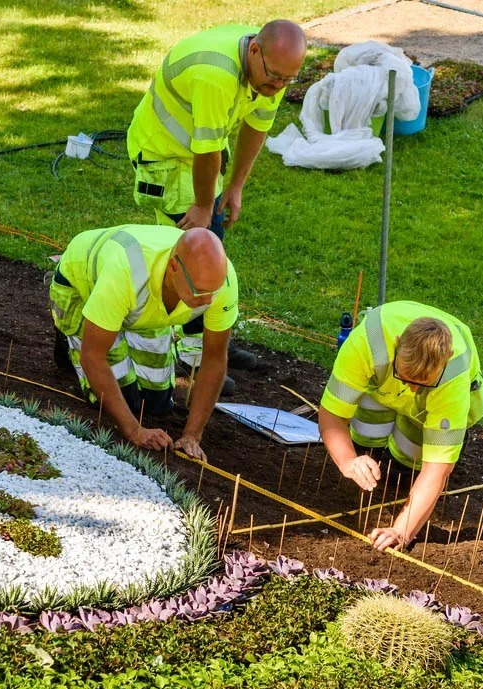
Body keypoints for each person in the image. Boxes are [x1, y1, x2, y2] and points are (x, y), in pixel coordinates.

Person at [126, 19, 307, 377]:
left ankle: (209, 339)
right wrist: (204, 206)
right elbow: (206, 152)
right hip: (162, 155)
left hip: (197, 153)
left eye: (288, 80)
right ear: (254, 50)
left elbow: (257, 126)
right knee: (190, 249)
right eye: (275, 77)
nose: (279, 86)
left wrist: (236, 187)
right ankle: (192, 350)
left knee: (212, 241)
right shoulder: (216, 75)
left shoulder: (275, 67)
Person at [48, 224, 237, 461]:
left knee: (157, 405)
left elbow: (214, 357)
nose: (208, 300)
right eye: (199, 291)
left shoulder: (221, 281)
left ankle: (122, 327)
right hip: (82, 286)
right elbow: (93, 356)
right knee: (124, 401)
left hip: (142, 306)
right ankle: (67, 339)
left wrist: (192, 435)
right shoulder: (126, 269)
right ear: (173, 267)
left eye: (214, 291)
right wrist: (134, 431)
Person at [318, 301, 483, 552]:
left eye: (422, 382)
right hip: (380, 390)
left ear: (444, 364)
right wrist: (348, 461)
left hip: (427, 407)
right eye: (406, 377)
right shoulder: (367, 343)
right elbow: (331, 414)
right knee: (363, 440)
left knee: (405, 465)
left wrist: (402, 530)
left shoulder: (453, 378)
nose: (411, 388)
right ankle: (372, 449)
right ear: (397, 344)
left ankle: (398, 458)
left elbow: (438, 469)